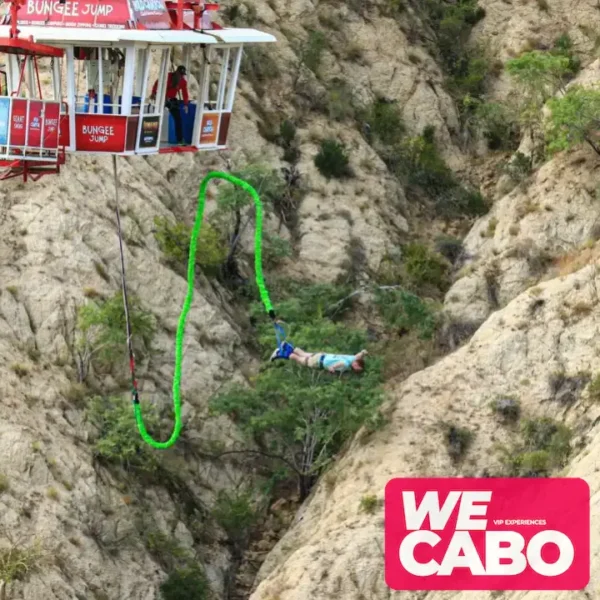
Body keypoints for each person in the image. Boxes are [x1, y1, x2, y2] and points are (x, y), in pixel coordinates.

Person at [270, 341, 367, 374]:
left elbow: (358, 356)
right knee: (299, 359)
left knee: (303, 353)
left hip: (322, 355)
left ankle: (286, 345)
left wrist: (363, 352)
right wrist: (333, 367)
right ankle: (279, 352)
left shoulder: (351, 359)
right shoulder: (347, 363)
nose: (356, 369)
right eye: (358, 367)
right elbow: (341, 363)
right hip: (318, 361)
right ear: (357, 363)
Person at [151, 65, 189, 145]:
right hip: (162, 98)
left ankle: (180, 139)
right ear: (176, 72)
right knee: (156, 117)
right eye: (180, 74)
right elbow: (157, 83)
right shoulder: (167, 76)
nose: (181, 76)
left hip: (171, 100)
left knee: (178, 119)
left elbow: (185, 93)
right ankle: (151, 137)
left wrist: (186, 104)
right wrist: (153, 92)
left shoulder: (182, 82)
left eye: (182, 75)